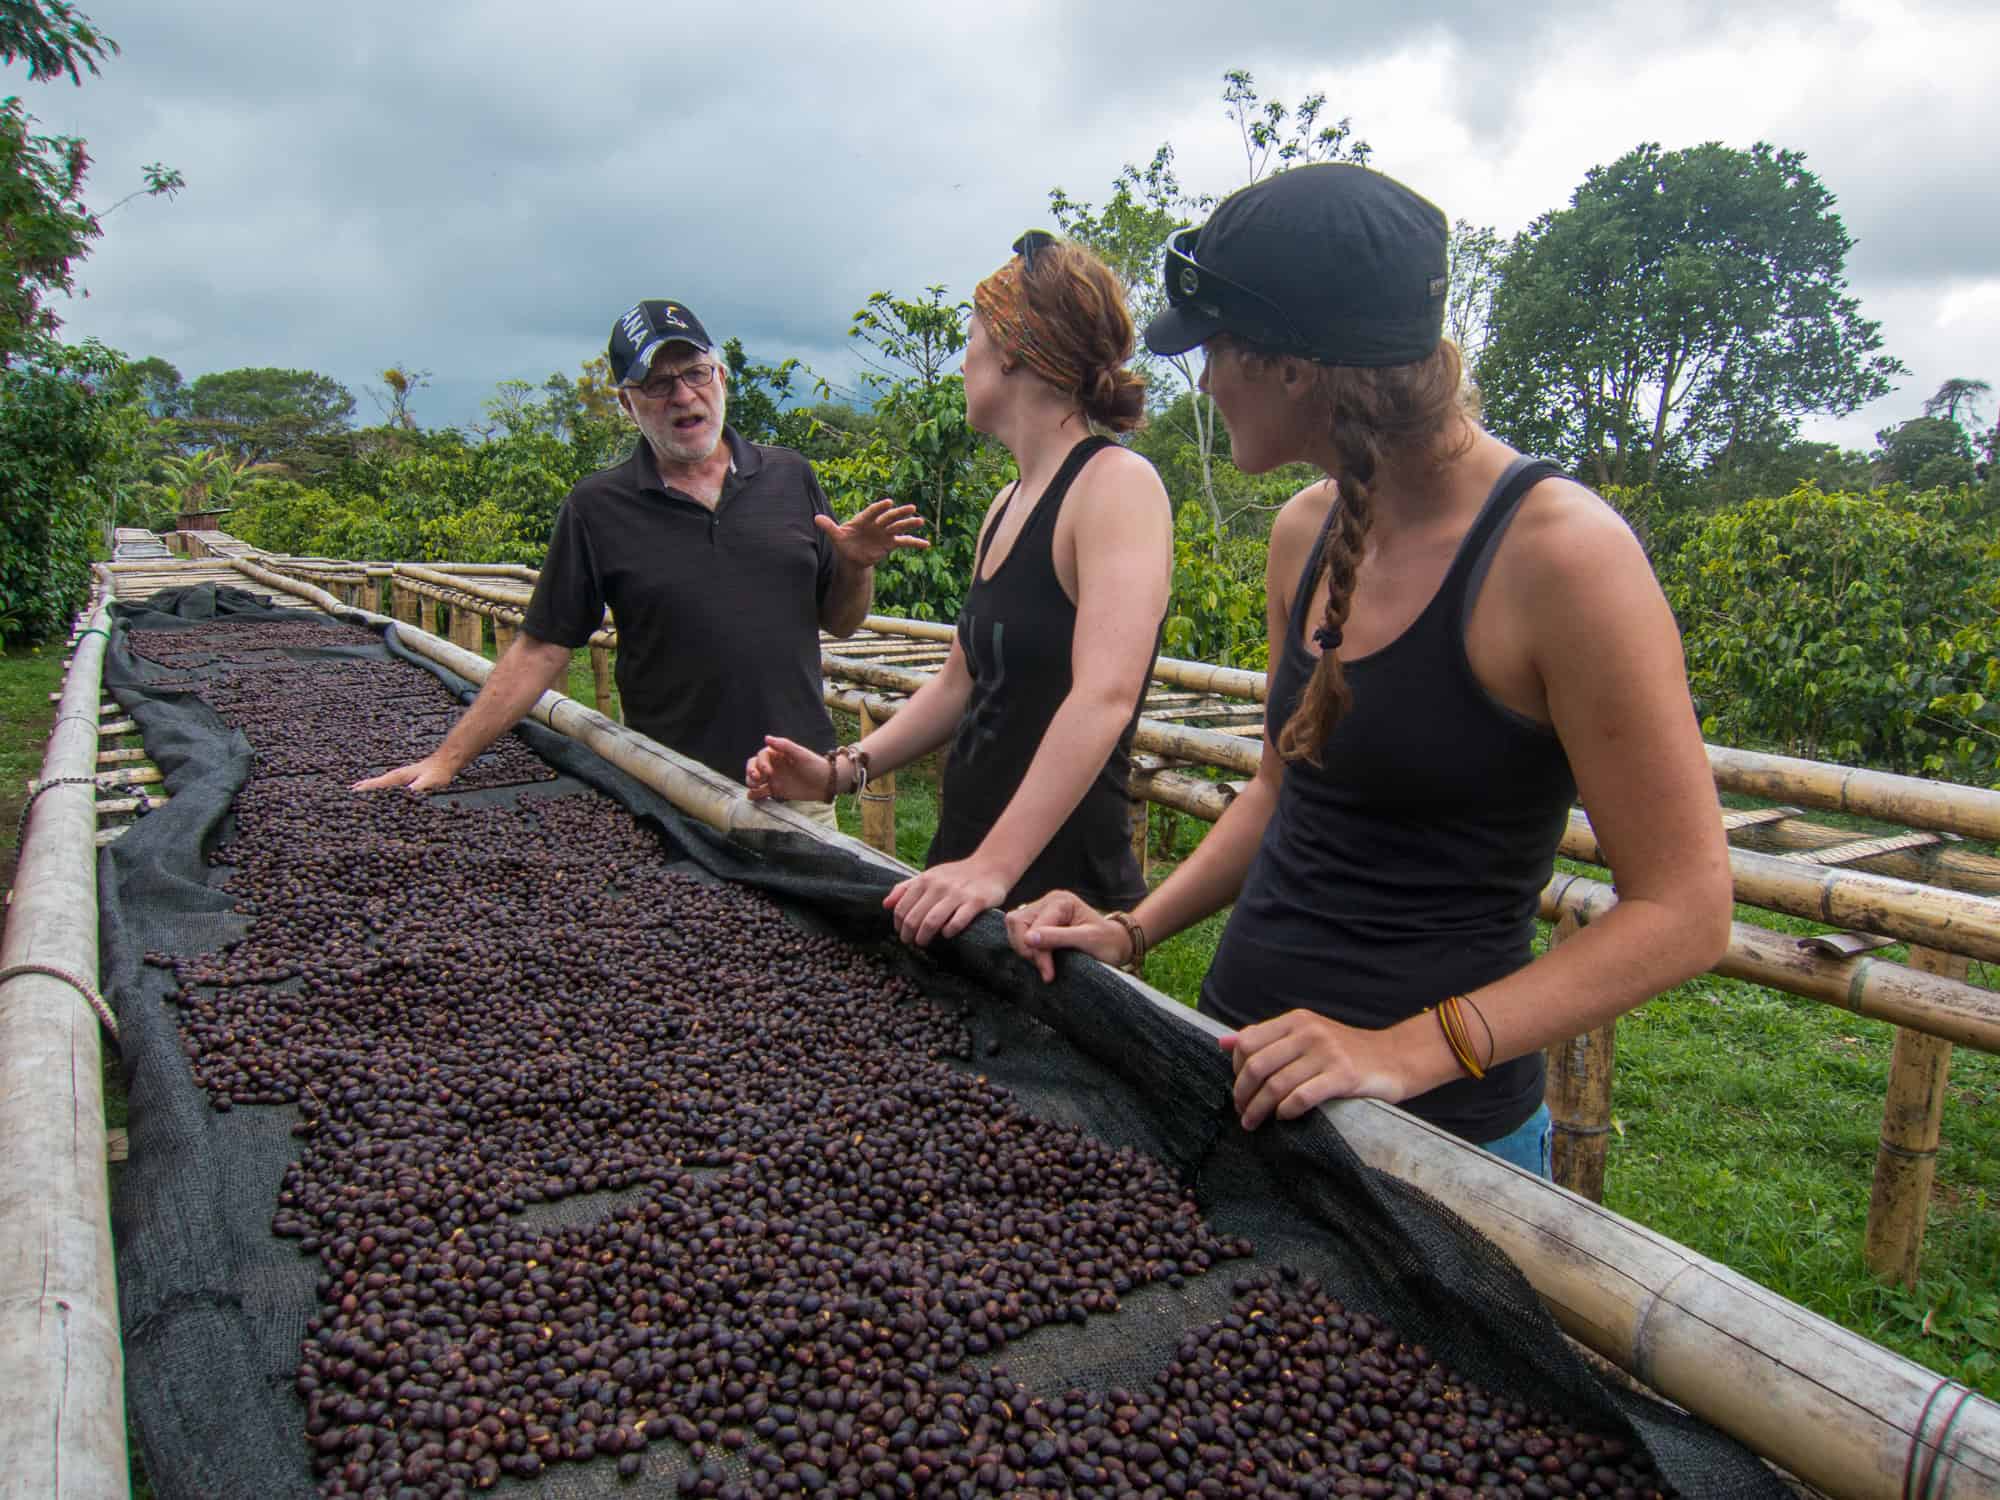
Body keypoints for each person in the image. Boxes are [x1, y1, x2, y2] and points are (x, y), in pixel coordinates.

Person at [1004, 165, 1732, 1176]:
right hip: (1242, 1072)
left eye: (1213, 352)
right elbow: (1276, 791)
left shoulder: (1560, 557)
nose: (1203, 382)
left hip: (1435, 1140)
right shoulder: (1304, 531)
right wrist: (1132, 930)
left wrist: (1400, 1051)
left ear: (1295, 370)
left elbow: (1684, 909)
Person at [744, 233, 1174, 946]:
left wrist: (994, 867)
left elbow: (1104, 695)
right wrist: (839, 772)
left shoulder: (1116, 487)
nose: (964, 358)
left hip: (1057, 894)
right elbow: (958, 686)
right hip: (966, 869)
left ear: (1011, 350)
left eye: (972, 337)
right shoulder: (1007, 503)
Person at [354, 298, 926, 822]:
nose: (682, 395)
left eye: (695, 373)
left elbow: (841, 621)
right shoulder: (597, 507)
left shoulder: (789, 475)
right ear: (628, 405)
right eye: (656, 383)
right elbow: (543, 647)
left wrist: (856, 565)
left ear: (720, 377)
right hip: (666, 784)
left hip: (793, 780)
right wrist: (447, 761)